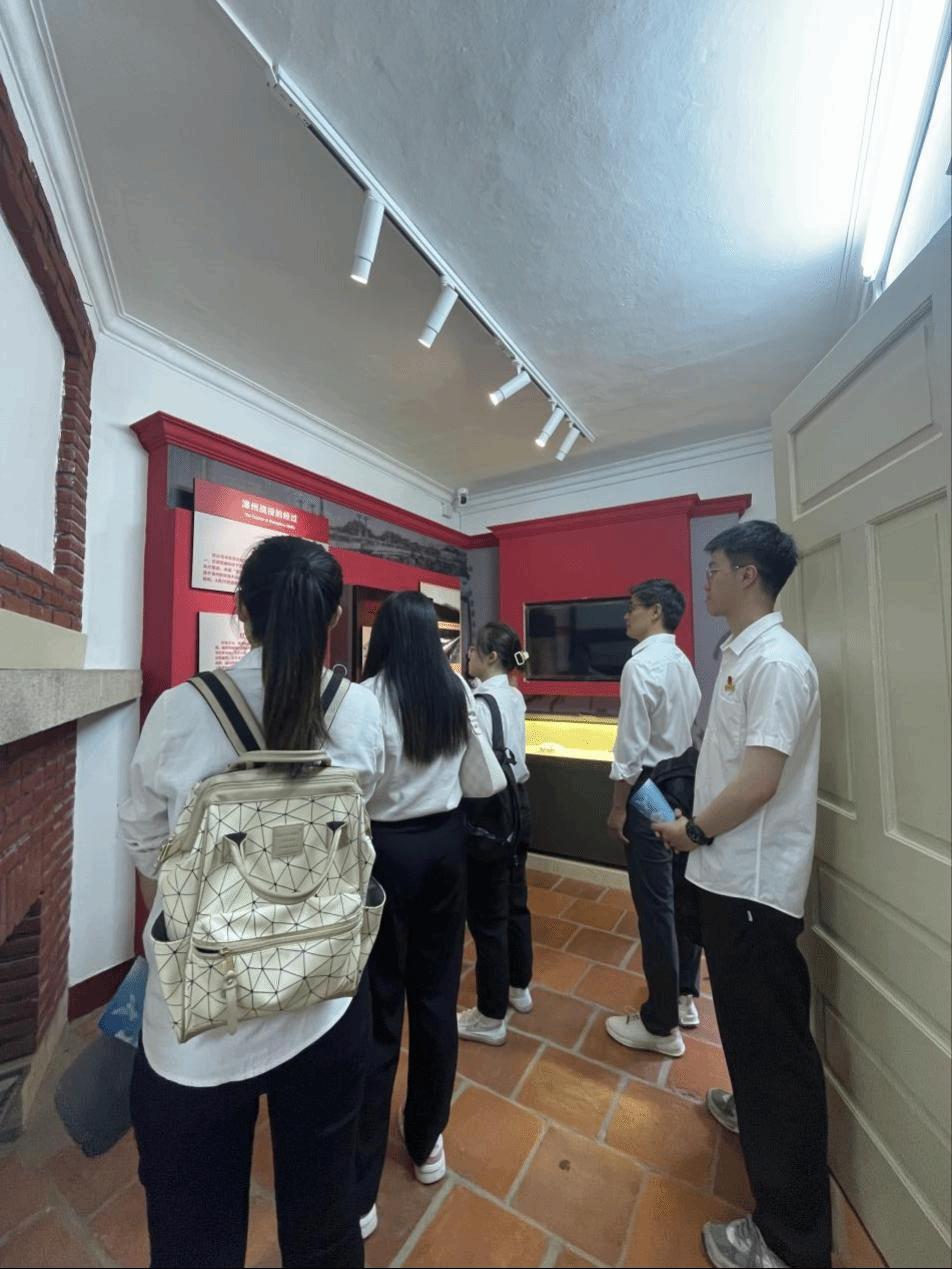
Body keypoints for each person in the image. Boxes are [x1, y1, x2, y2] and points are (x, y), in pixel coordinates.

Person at [118, 535, 385, 1269]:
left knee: (194, 1240)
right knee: (325, 1221)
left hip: (200, 1027)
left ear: (241, 610)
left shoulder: (181, 710)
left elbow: (144, 844)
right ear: (333, 617)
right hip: (324, 1000)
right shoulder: (358, 711)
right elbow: (362, 813)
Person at [655, 520, 831, 1269]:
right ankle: (749, 1108)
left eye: (716, 568)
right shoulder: (741, 653)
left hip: (753, 888)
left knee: (776, 1058)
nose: (707, 580)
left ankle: (790, 1241)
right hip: (728, 880)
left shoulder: (778, 663)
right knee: (752, 1039)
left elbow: (759, 780)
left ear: (749, 575)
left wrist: (692, 830)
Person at [354, 590, 488, 1237]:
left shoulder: (366, 697)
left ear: (383, 634)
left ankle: (361, 1186)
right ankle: (427, 1139)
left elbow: (353, 788)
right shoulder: (454, 689)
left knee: (379, 1007)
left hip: (385, 852)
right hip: (446, 848)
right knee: (435, 1000)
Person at [604, 578, 702, 1058]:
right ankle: (684, 996)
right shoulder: (683, 662)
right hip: (682, 782)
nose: (626, 616)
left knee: (655, 902)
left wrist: (619, 806)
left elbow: (630, 751)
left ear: (655, 611)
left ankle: (660, 1023)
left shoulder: (639, 665)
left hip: (648, 789)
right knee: (682, 892)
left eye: (632, 607)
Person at [457, 621, 534, 1046]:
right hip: (519, 803)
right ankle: (519, 987)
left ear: (490, 657)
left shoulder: (477, 703)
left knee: (487, 916)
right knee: (516, 902)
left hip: (489, 811)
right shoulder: (514, 695)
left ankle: (490, 1014)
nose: (467, 656)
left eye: (473, 650)